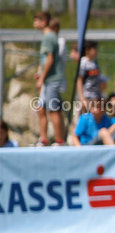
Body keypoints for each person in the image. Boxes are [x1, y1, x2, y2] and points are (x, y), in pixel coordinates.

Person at [32, 10, 66, 146]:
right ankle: (44, 139)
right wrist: (40, 73)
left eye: (36, 20)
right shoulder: (46, 37)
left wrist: (42, 78)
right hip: (47, 79)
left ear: (44, 22)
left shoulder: (49, 37)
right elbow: (44, 59)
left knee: (53, 110)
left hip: (52, 80)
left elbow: (50, 59)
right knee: (41, 109)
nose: (34, 23)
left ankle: (59, 141)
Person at [75, 40, 104, 114]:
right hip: (85, 96)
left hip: (94, 96)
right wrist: (82, 98)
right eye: (94, 49)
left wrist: (99, 95)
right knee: (81, 120)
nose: (96, 51)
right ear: (87, 50)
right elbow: (79, 80)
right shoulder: (83, 63)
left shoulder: (95, 63)